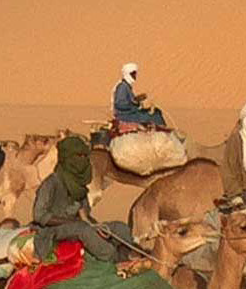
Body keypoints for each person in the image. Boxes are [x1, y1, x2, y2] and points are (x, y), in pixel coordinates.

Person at [32, 135, 138, 263]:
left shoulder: (79, 186)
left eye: (84, 157)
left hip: (79, 225)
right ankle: (113, 260)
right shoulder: (51, 183)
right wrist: (72, 222)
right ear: (67, 159)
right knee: (84, 231)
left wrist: (96, 225)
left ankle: (129, 257)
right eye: (78, 157)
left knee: (120, 228)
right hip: (52, 230)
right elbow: (40, 215)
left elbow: (84, 215)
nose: (83, 161)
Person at [111, 63, 167, 129]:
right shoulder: (122, 87)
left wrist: (138, 100)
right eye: (133, 74)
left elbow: (130, 101)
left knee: (156, 111)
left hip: (131, 113)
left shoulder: (126, 86)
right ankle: (162, 130)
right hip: (126, 115)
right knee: (154, 115)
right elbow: (120, 104)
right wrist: (134, 103)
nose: (135, 76)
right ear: (127, 74)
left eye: (135, 74)